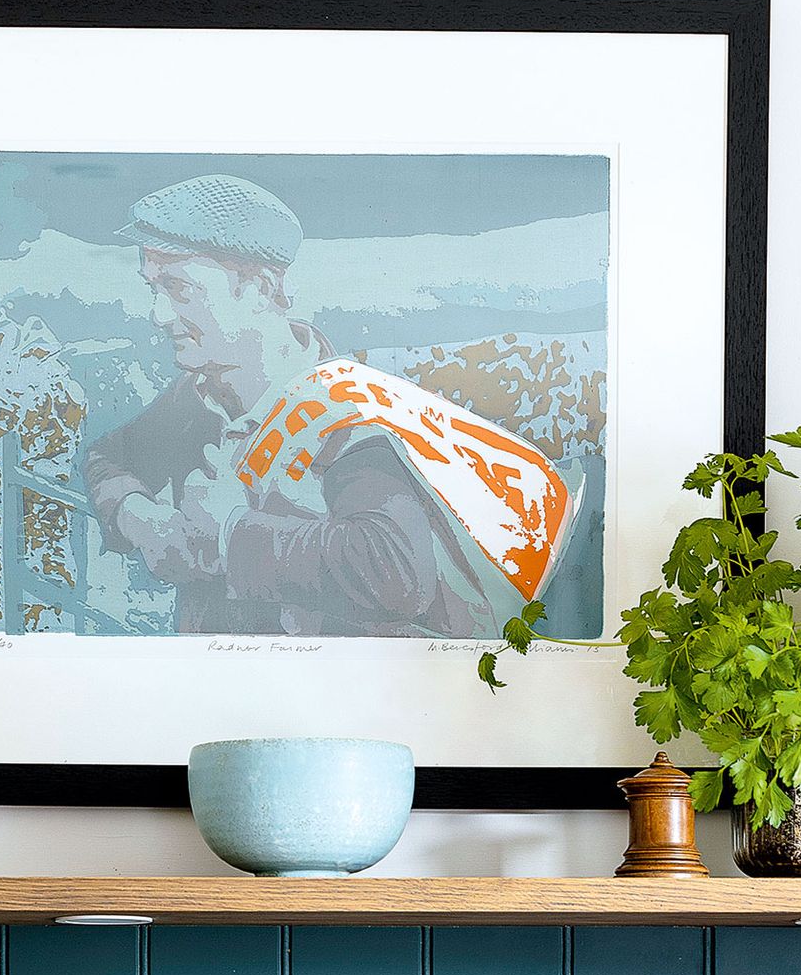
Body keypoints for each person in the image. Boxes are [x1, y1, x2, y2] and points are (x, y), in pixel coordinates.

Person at [81, 173, 572, 637]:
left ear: (261, 289)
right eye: (154, 288)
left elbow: (394, 569)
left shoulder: (348, 419)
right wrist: (138, 515)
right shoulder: (196, 395)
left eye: (179, 289)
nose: (158, 314)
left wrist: (228, 536)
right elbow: (111, 455)